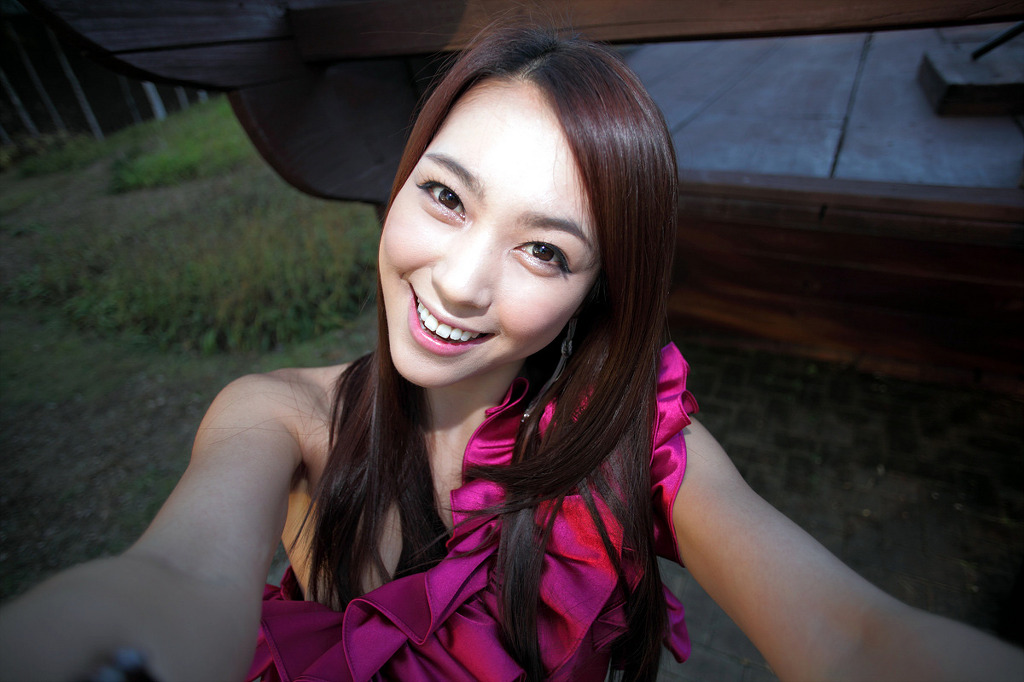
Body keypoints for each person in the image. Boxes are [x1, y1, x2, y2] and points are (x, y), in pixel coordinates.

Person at [0, 24, 1022, 682]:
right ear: (400, 183)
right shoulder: (280, 419)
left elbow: (848, 634)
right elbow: (176, 578)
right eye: (445, 196)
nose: (457, 283)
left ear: (593, 292)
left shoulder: (633, 446)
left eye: (544, 250)